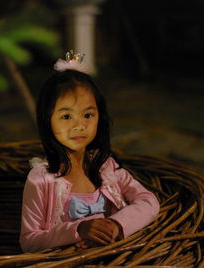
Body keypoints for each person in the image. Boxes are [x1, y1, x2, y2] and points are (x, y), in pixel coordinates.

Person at [19, 51, 160, 253]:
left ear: (99, 117)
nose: (79, 125)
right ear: (47, 119)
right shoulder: (41, 179)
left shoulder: (105, 166)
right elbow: (29, 241)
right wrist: (78, 229)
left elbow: (148, 201)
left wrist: (116, 224)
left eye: (88, 115)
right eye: (66, 116)